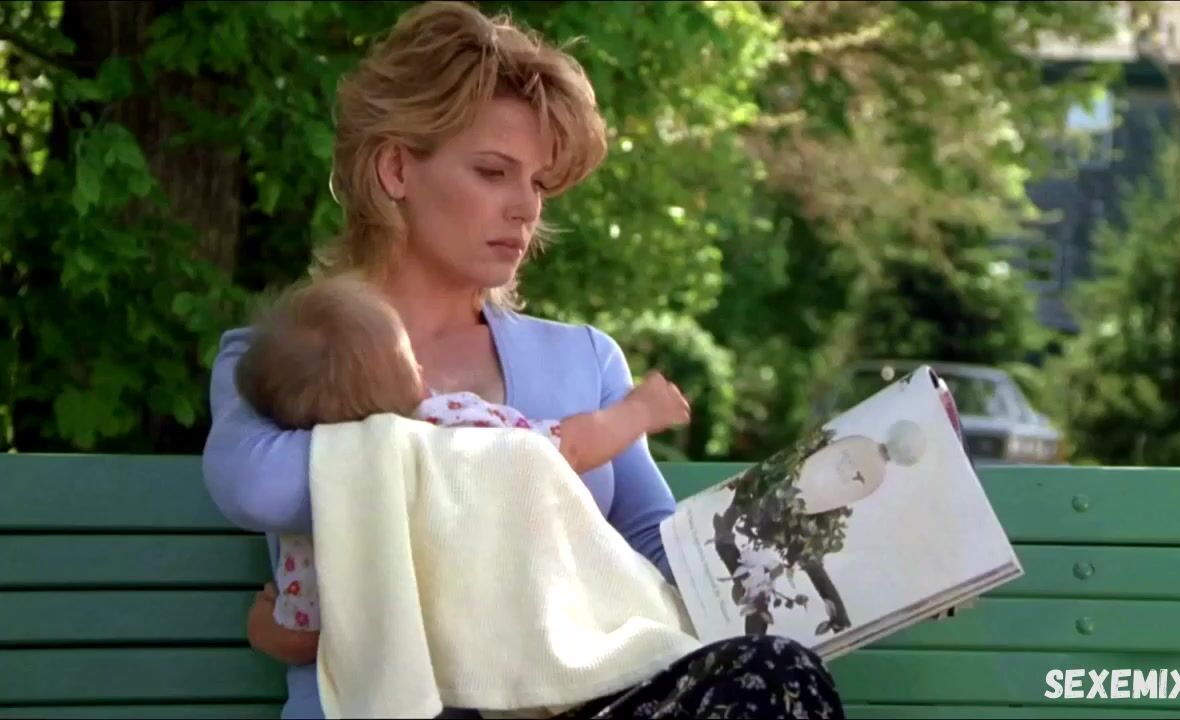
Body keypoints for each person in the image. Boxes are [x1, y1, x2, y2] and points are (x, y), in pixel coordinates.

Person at [201, 2, 847, 718]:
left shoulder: (583, 359)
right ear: (395, 168)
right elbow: (255, 487)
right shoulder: (287, 354)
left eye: (537, 183)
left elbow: (662, 557)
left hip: (578, 706)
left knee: (780, 675)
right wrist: (533, 450)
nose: (525, 209)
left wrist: (837, 556)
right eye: (493, 172)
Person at [231, 273, 691, 633]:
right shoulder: (448, 424)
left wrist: (265, 631)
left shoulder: (321, 503)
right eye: (407, 357)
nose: (421, 364)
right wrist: (638, 411)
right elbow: (561, 449)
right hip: (527, 645)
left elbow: (315, 633)